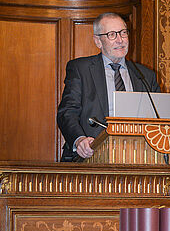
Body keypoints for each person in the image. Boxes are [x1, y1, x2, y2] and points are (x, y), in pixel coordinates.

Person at [57, 12, 160, 161]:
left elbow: (159, 118)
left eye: (123, 33)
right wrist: (79, 140)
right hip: (91, 156)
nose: (120, 40)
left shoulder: (145, 75)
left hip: (137, 157)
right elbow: (67, 112)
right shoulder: (81, 68)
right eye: (112, 34)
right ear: (98, 41)